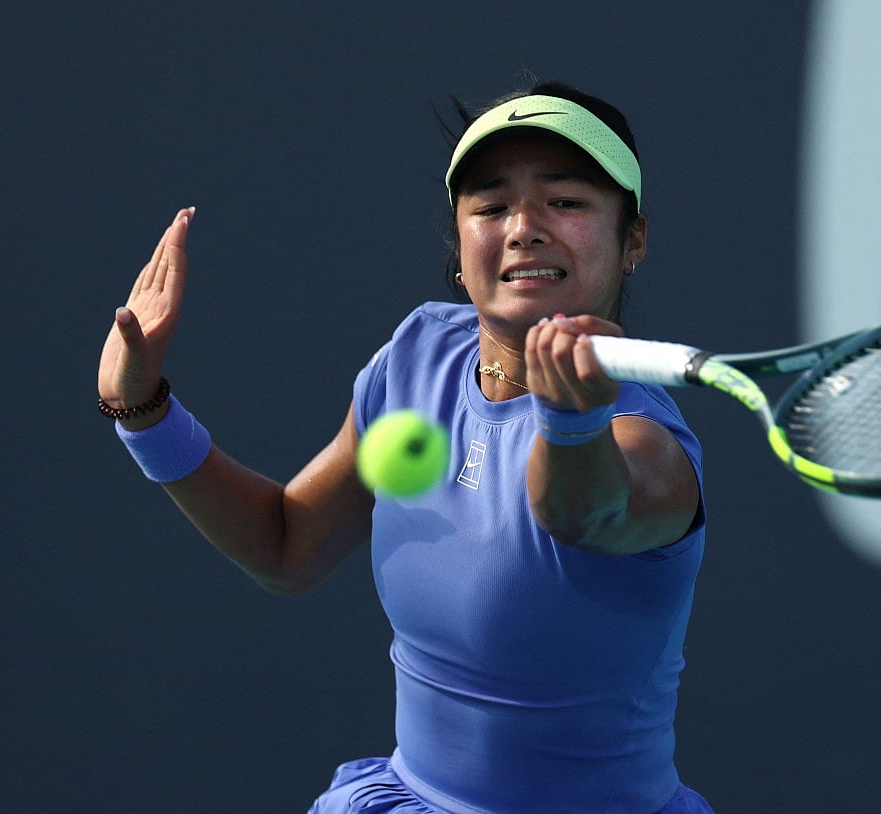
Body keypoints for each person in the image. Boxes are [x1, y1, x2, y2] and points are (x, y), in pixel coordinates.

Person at [98, 80, 712, 813]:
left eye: (566, 201)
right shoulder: (419, 355)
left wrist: (570, 422)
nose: (524, 227)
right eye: (490, 206)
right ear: (461, 250)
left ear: (632, 239)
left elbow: (584, 513)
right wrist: (144, 413)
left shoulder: (647, 442)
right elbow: (286, 545)